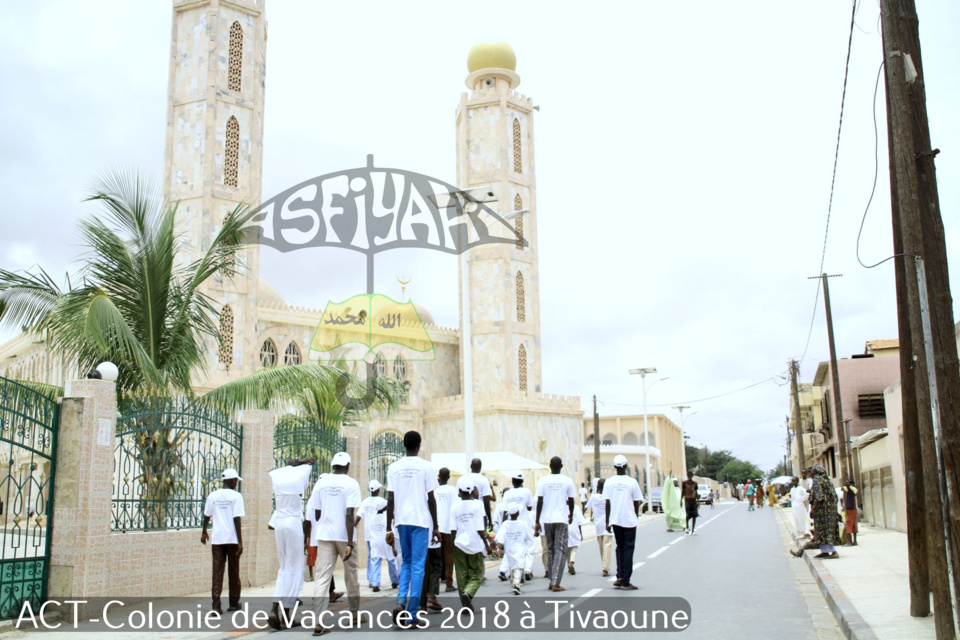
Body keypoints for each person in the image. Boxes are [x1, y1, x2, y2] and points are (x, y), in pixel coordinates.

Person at [386, 431, 440, 628]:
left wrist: (387, 527)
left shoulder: (393, 468)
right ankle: (411, 614)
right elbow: (431, 499)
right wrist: (436, 526)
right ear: (419, 445)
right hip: (420, 521)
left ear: (403, 444)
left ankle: (401, 601)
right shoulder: (426, 467)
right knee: (418, 566)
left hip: (401, 521)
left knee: (406, 563)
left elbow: (390, 499)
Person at [307, 451, 361, 635]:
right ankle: (354, 614)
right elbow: (349, 515)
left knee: (322, 576)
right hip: (344, 535)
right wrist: (349, 544)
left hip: (324, 535)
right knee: (351, 574)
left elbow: (316, 513)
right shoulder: (351, 483)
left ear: (333, 466)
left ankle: (318, 621)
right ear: (347, 466)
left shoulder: (321, 483)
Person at [267, 457, 315, 629]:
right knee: (294, 570)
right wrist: (305, 461)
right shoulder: (298, 480)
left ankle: (275, 608)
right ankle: (286, 615)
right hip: (293, 523)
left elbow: (289, 461)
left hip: (279, 522)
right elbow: (305, 465)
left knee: (284, 569)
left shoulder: (278, 479)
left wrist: (299, 461)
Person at [200, 468, 245, 615]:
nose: (236, 483)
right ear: (231, 480)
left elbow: (207, 515)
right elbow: (236, 519)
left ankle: (216, 605)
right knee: (234, 571)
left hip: (217, 539)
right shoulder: (236, 496)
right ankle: (233, 603)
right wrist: (240, 542)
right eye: (236, 480)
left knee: (217, 571)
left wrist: (204, 531)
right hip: (232, 539)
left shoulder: (213, 495)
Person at [535, 456, 576, 592]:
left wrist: (537, 521)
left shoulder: (543, 481)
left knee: (551, 549)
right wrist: (570, 514)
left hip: (547, 519)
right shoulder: (567, 481)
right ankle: (556, 583)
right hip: (561, 519)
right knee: (560, 550)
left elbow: (539, 501)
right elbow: (571, 500)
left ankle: (552, 579)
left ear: (550, 465)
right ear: (562, 466)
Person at [450, 476, 492, 610]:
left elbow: (453, 529)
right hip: (474, 544)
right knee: (478, 574)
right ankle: (468, 593)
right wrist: (487, 544)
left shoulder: (454, 507)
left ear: (459, 492)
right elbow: (480, 528)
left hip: (459, 544)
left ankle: (465, 603)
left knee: (462, 574)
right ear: (472, 491)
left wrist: (451, 545)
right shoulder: (478, 505)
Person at [604, 454, 642, 590]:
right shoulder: (632, 482)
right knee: (628, 548)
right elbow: (636, 501)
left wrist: (607, 521)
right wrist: (635, 516)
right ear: (625, 466)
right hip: (629, 519)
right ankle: (626, 581)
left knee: (619, 547)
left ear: (615, 466)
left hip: (615, 519)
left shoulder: (609, 482)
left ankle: (620, 575)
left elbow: (607, 503)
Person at [356, 479, 398, 593]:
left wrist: (353, 527)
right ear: (379, 489)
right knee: (390, 559)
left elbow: (358, 516)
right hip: (385, 539)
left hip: (371, 535)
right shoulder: (384, 508)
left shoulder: (365, 502)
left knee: (373, 558)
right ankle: (395, 580)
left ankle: (373, 581)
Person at [791, 465, 840, 559]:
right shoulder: (827, 481)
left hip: (822, 511)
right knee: (825, 531)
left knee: (822, 531)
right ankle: (825, 551)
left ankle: (833, 551)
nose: (810, 473)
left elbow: (819, 497)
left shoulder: (817, 480)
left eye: (812, 471)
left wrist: (813, 509)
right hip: (829, 511)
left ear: (816, 472)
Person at [499, 472, 536, 581]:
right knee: (527, 548)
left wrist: (503, 527)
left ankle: (512, 571)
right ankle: (526, 570)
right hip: (523, 524)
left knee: (510, 549)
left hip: (510, 524)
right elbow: (530, 508)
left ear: (513, 481)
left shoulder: (507, 494)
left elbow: (505, 512)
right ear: (522, 481)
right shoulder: (527, 492)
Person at [496, 503, 533, 595]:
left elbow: (500, 537)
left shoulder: (505, 524)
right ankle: (516, 584)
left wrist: (499, 546)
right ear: (518, 513)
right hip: (519, 547)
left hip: (509, 548)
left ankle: (514, 581)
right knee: (518, 566)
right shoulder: (522, 524)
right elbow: (530, 536)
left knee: (512, 565)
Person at [434, 467, 458, 592]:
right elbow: (455, 509)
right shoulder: (452, 490)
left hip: (435, 528)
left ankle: (434, 586)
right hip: (448, 528)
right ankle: (449, 584)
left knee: (435, 556)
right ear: (448, 477)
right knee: (449, 556)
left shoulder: (434, 490)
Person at [585, 478, 613, 576]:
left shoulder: (593, 498)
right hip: (608, 525)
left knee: (602, 547)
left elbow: (587, 507)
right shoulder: (609, 497)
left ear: (597, 487)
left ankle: (604, 566)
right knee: (607, 546)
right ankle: (605, 567)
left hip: (598, 526)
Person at [464, 458, 493, 528]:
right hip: (480, 514)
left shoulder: (463, 478)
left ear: (471, 466)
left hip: (465, 514)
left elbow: (458, 497)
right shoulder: (484, 480)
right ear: (480, 468)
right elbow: (486, 501)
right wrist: (489, 519)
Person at [566, 505, 586, 575]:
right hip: (574, 529)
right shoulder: (576, 507)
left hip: (565, 529)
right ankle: (571, 562)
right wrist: (580, 533)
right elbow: (579, 522)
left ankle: (569, 565)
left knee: (568, 548)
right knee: (574, 548)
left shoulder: (562, 506)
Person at [841, 479, 859, 546]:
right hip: (852, 509)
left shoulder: (852, 490)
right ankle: (854, 541)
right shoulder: (849, 491)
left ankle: (849, 542)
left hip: (850, 510)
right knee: (854, 525)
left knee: (848, 525)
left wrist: (848, 485)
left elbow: (849, 487)